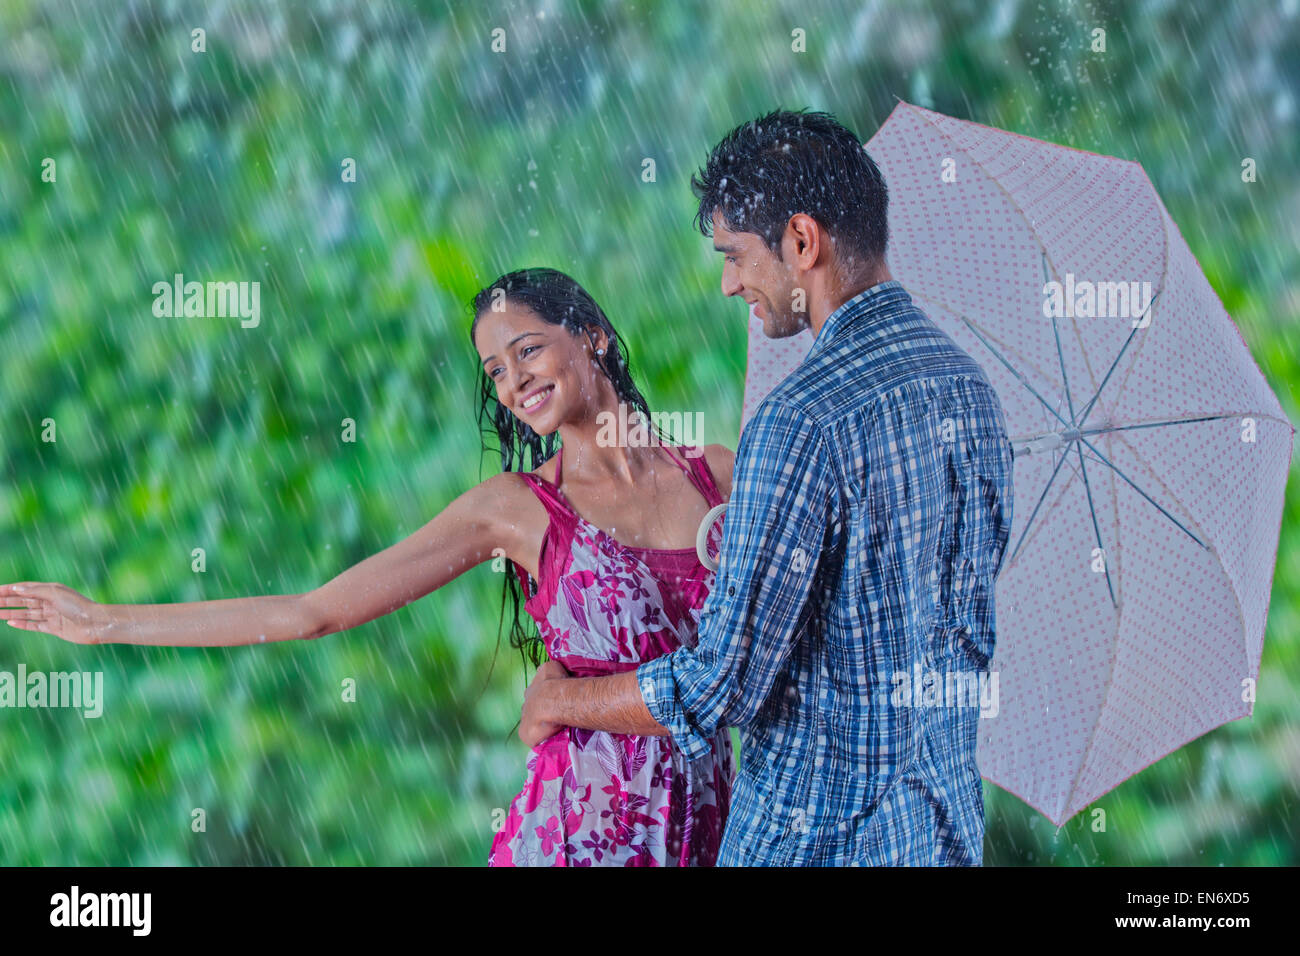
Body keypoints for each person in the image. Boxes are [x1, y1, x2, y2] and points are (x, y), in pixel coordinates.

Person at [0, 266, 737, 867]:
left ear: (594, 337)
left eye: (528, 351)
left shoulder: (721, 477)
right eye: (496, 370)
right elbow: (313, 612)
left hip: (716, 830)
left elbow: (756, 663)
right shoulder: (516, 509)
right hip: (578, 837)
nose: (513, 382)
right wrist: (106, 620)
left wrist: (557, 704)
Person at [520, 109, 1015, 866]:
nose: (728, 283)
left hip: (813, 842)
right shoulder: (970, 391)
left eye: (738, 255)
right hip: (940, 836)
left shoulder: (802, 420)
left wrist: (561, 699)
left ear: (802, 241)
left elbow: (721, 685)